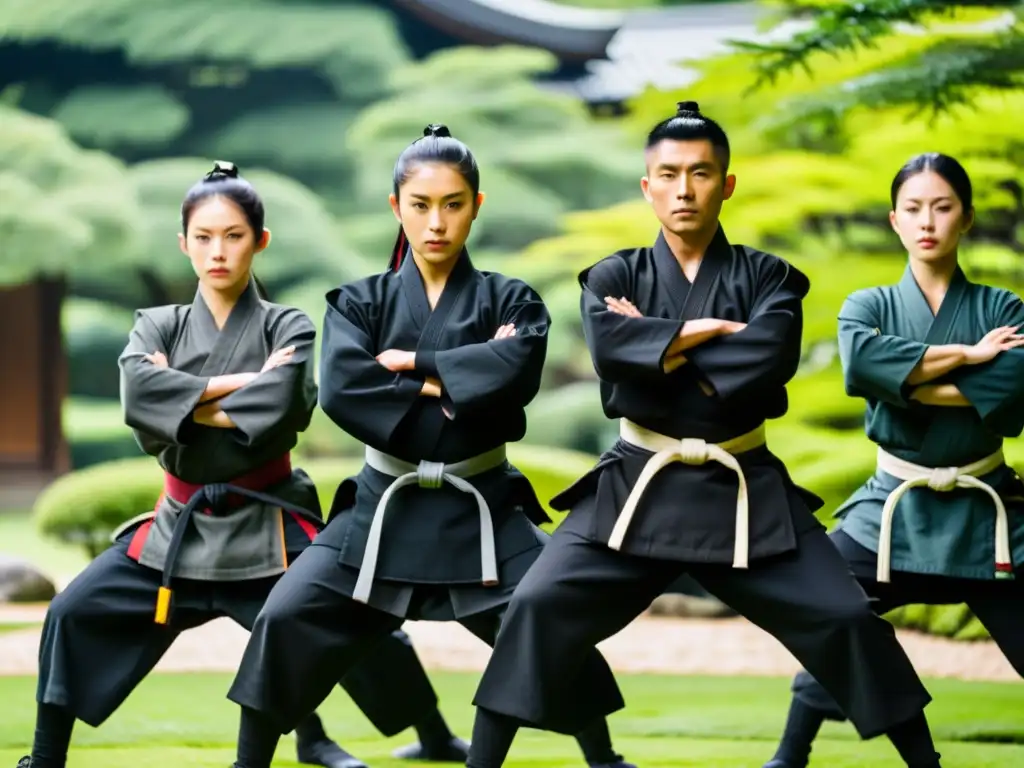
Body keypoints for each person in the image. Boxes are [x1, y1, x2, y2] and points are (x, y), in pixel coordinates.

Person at [464, 102, 946, 768]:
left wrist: (655, 342)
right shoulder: (612, 276)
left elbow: (766, 363)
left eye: (700, 173)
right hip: (636, 487)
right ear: (647, 186)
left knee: (846, 619)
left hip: (744, 492)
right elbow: (611, 354)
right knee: (538, 606)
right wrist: (709, 332)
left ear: (727, 183)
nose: (684, 188)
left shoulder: (769, 277)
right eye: (668, 173)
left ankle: (929, 763)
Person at [17, 161, 468, 768]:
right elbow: (137, 399)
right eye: (203, 238)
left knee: (359, 618)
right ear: (183, 245)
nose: (217, 251)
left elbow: (279, 405)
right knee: (73, 612)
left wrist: (180, 395)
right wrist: (241, 384)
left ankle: (423, 735)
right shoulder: (157, 323)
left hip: (269, 525)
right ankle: (45, 757)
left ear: (260, 240)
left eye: (233, 235)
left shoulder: (290, 324)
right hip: (179, 527)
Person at [225, 125, 635, 768]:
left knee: (548, 617)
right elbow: (345, 391)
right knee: (286, 617)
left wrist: (413, 365)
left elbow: (515, 376)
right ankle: (249, 761)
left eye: (453, 204)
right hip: (380, 508)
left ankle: (602, 758)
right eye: (420, 205)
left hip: (485, 507)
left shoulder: (514, 299)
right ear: (396, 208)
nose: (436, 222)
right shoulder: (357, 303)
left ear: (476, 204)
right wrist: (461, 379)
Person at [761, 152, 1024, 768]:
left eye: (942, 206)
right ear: (894, 220)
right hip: (891, 511)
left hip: (992, 517)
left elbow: (1012, 388)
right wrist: (968, 356)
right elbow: (861, 368)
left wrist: (906, 378)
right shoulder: (866, 306)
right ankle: (789, 756)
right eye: (913, 209)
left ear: (966, 218)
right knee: (829, 610)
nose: (927, 220)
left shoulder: (1006, 309)